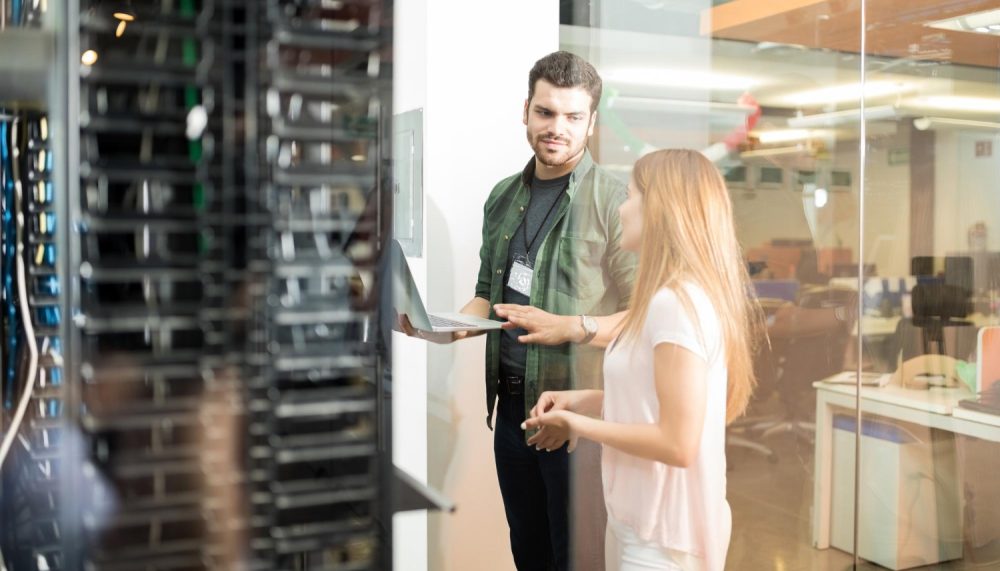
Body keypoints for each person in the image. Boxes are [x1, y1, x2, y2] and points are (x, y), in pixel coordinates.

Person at [399, 51, 637, 571]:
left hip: (577, 421)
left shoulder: (616, 201)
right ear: (525, 110)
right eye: (546, 112)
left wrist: (571, 327)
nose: (557, 128)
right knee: (528, 554)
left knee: (578, 561)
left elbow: (643, 319)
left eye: (573, 116)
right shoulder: (503, 197)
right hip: (512, 413)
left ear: (592, 122)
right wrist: (443, 328)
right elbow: (487, 294)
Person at [521, 150, 765, 571]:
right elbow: (654, 402)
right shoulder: (665, 299)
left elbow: (677, 444)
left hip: (663, 540)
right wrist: (583, 401)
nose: (621, 209)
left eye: (631, 196)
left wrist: (577, 425)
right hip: (638, 523)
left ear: (659, 209)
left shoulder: (677, 304)